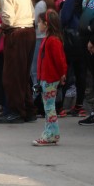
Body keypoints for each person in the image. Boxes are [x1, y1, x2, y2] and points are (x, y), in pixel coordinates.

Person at [0, 0, 36, 124]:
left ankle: (16, 111)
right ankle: (28, 109)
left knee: (12, 75)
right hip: (29, 30)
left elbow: (8, 18)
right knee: (23, 74)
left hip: (16, 33)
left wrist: (1, 25)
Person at [32, 10, 68, 146]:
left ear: (46, 24)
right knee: (48, 107)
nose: (38, 24)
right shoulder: (49, 39)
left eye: (40, 22)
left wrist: (62, 74)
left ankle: (50, 134)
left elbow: (60, 60)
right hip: (46, 78)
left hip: (50, 78)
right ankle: (52, 133)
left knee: (49, 108)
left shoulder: (52, 40)